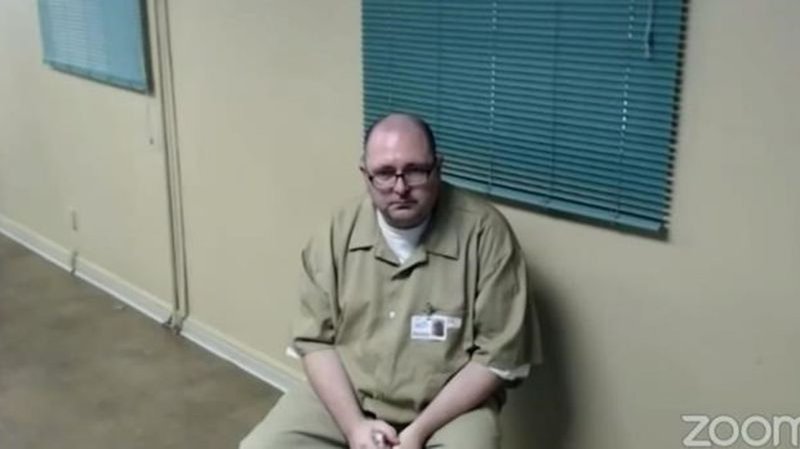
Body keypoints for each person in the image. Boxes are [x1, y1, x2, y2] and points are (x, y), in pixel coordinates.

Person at [241, 113, 539, 449]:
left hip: (448, 406)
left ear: (438, 167)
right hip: (350, 393)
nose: (400, 188)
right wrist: (354, 426)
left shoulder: (487, 235)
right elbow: (314, 342)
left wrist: (418, 432)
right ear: (365, 175)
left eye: (415, 170)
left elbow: (497, 358)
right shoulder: (336, 232)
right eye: (384, 173)